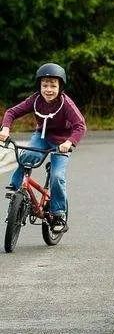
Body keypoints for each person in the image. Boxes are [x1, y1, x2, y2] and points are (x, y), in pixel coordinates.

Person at [0, 63, 87, 233]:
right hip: (42, 136)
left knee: (57, 176)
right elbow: (11, 112)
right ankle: (17, 186)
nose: (48, 89)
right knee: (26, 156)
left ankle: (58, 214)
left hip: (61, 142)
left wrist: (69, 143)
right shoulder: (35, 100)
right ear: (39, 86)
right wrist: (5, 128)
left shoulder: (66, 104)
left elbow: (80, 126)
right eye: (45, 85)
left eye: (53, 85)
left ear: (60, 87)